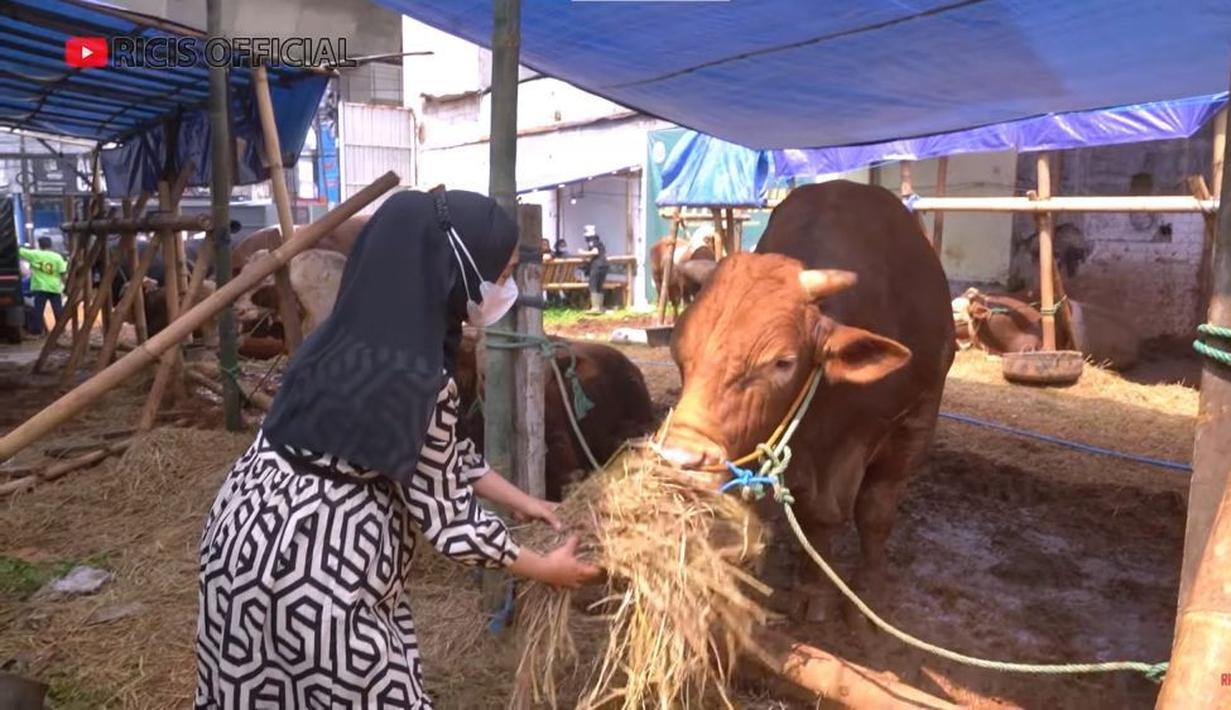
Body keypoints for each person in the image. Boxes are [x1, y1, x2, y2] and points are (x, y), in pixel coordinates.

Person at [195, 189, 599, 709]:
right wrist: (545, 568)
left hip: (242, 535)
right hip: (320, 566)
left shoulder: (339, 340)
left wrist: (526, 502)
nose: (503, 290)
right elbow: (451, 521)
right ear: (455, 268)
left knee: (260, 689)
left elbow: (443, 453)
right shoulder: (419, 377)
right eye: (498, 275)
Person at [19, 237, 66, 336]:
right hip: (54, 287)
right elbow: (63, 272)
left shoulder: (35, 254)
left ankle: (37, 331)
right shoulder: (57, 257)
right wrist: (64, 286)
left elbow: (19, 251)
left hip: (40, 287)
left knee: (38, 310)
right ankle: (61, 329)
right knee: (58, 309)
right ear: (51, 245)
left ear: (39, 245)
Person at [579, 224, 608, 314]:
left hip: (597, 265)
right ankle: (600, 307)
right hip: (604, 265)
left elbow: (595, 252)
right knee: (599, 285)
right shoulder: (598, 241)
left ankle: (595, 307)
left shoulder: (592, 241)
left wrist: (583, 253)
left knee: (593, 285)